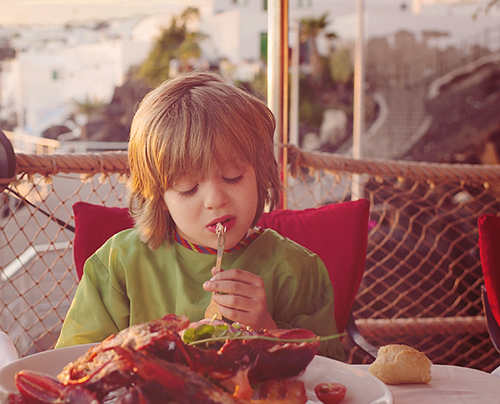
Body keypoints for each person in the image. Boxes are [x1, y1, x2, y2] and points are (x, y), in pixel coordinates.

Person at [56, 71, 344, 360]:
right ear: (159, 197)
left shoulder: (297, 270)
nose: (215, 199)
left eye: (233, 176)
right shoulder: (118, 264)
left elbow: (331, 374)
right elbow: (74, 361)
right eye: (188, 187)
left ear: (260, 173)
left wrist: (266, 330)